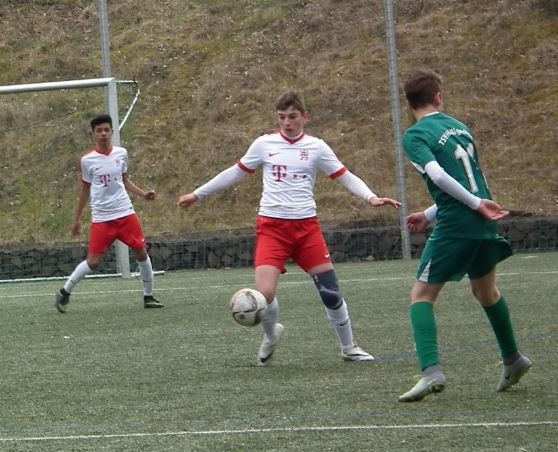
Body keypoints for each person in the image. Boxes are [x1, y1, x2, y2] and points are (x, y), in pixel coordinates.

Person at [178, 91, 401, 366]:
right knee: (264, 295)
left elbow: (345, 176)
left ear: (305, 117)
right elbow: (234, 172)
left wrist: (371, 197)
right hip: (272, 228)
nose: (287, 122)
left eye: (293, 117)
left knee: (330, 293)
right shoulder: (264, 144)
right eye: (282, 117)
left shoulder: (317, 147)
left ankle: (349, 347)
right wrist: (197, 194)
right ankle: (271, 336)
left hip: (307, 229)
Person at [398, 69, 531, 402]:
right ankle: (513, 359)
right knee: (486, 291)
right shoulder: (460, 127)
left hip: (459, 223)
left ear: (409, 104)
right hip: (483, 221)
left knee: (421, 296)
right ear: (438, 97)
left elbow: (439, 175)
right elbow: (466, 180)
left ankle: (431, 371)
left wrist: (472, 205)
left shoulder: (415, 135)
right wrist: (430, 214)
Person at [54, 114, 163, 312]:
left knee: (141, 252)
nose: (103, 133)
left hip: (125, 213)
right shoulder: (87, 161)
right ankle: (65, 292)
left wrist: (143, 194)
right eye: (99, 130)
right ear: (93, 134)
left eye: (106, 130)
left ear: (112, 132)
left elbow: (124, 180)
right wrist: (77, 219)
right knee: (93, 262)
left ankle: (149, 296)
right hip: (102, 218)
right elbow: (85, 189)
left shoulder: (121, 153)